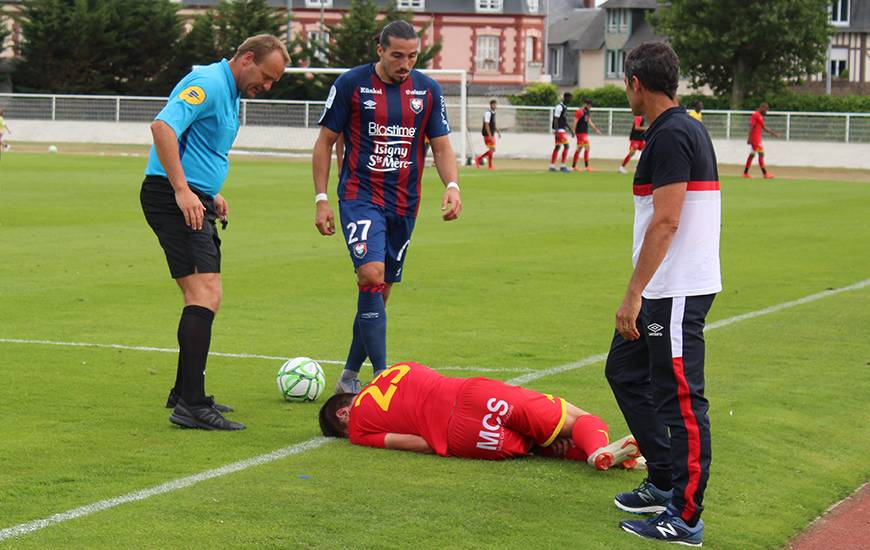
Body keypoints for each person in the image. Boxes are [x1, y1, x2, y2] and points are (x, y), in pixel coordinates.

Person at [140, 35, 289, 430]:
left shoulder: (231, 90)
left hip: (195, 198)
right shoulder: (207, 83)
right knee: (204, 294)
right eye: (267, 77)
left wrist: (208, 192)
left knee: (204, 295)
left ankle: (185, 391)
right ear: (246, 59)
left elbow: (200, 146)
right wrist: (183, 190)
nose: (268, 87)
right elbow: (163, 128)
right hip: (171, 198)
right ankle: (190, 405)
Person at [604, 42, 720, 545]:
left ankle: (685, 516)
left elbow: (668, 220)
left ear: (634, 82)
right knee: (625, 372)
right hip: (664, 289)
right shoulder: (674, 129)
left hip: (674, 290)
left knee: (682, 401)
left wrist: (634, 293)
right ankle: (664, 479)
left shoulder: (673, 134)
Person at [312, 21, 462, 394]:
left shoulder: (428, 91)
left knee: (379, 292)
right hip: (359, 197)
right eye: (397, 55)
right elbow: (325, 142)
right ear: (379, 50)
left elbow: (441, 146)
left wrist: (453, 186)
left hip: (404, 204)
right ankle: (383, 379)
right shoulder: (351, 84)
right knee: (371, 274)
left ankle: (349, 375)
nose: (405, 63)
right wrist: (321, 199)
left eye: (412, 56)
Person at [320, 361, 642, 470]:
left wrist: (440, 437)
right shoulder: (396, 369)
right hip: (471, 395)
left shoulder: (361, 429)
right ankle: (598, 449)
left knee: (533, 446)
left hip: (463, 440)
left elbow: (419, 443)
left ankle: (611, 456)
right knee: (576, 419)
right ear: (346, 409)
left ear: (345, 413)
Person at [743, 101, 778, 179]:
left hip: (757, 139)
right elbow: (751, 127)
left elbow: (764, 127)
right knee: (761, 154)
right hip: (755, 140)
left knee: (751, 155)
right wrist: (749, 138)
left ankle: (745, 173)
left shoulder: (760, 116)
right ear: (762, 108)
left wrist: (773, 133)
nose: (766, 111)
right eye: (766, 109)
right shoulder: (755, 115)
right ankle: (765, 173)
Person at [571, 99, 602, 172]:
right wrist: (573, 131)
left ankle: (573, 166)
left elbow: (589, 122)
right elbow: (575, 121)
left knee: (579, 149)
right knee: (587, 147)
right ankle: (587, 166)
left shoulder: (587, 112)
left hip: (584, 133)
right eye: (590, 105)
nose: (590, 107)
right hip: (580, 133)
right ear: (586, 104)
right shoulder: (580, 111)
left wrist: (596, 129)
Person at [549, 92, 573, 172]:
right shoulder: (559, 107)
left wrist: (571, 130)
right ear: (565, 97)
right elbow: (555, 119)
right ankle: (562, 166)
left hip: (562, 129)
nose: (570, 100)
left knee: (558, 147)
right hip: (559, 130)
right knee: (566, 146)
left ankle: (552, 166)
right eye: (569, 98)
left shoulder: (565, 107)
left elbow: (564, 120)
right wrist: (556, 132)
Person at [475, 99, 501, 170]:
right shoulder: (488, 113)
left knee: (491, 150)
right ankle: (479, 159)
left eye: (496, 105)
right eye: (494, 104)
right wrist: (489, 135)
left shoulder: (493, 113)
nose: (495, 106)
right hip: (487, 134)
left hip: (491, 134)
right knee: (492, 149)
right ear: (491, 105)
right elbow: (486, 124)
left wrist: (498, 131)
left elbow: (493, 124)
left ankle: (489, 166)